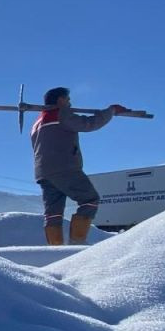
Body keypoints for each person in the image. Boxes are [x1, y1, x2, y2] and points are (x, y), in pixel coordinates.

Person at [30, 87, 127, 245]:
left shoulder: (37, 123)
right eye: (68, 99)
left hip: (43, 173)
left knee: (53, 214)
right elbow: (88, 124)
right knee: (89, 199)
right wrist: (111, 111)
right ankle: (77, 243)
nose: (70, 103)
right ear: (60, 100)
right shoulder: (60, 113)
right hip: (64, 168)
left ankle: (55, 249)